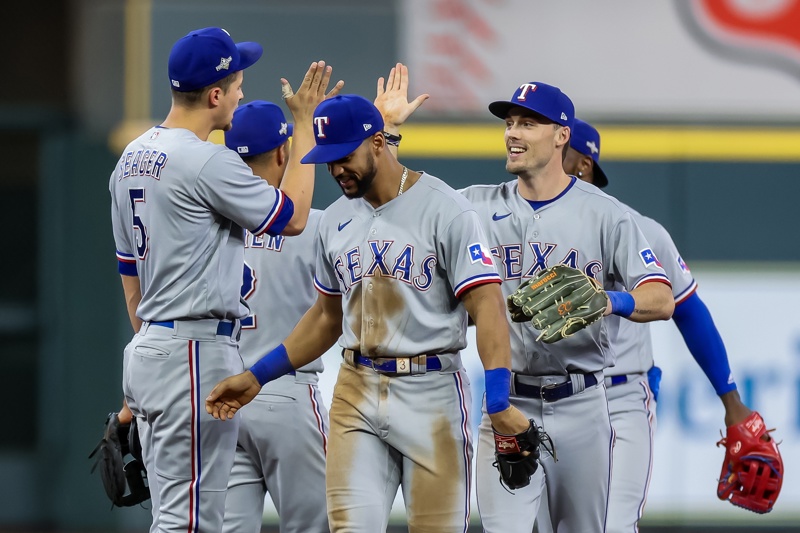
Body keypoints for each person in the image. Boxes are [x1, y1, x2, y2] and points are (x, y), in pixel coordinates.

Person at [206, 92, 531, 532]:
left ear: (379, 142)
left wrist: (498, 400)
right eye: (329, 161)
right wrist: (257, 376)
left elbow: (488, 307)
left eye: (345, 157)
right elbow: (326, 318)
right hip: (355, 389)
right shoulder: (335, 219)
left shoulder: (447, 209)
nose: (337, 170)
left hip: (432, 391)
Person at [109, 26, 341, 533]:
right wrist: (304, 125)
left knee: (178, 517)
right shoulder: (205, 160)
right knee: (191, 523)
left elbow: (131, 280)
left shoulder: (130, 158)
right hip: (193, 351)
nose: (241, 91)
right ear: (214, 95)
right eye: (237, 82)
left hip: (148, 349)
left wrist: (155, 350)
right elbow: (293, 217)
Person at [456, 82, 675, 533]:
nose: (512, 133)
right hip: (508, 403)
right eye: (509, 123)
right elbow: (409, 206)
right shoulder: (473, 205)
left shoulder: (606, 213)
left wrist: (609, 300)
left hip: (583, 404)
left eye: (527, 123)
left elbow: (662, 297)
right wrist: (389, 133)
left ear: (561, 136)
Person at [544, 118, 755, 533]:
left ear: (583, 164)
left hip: (619, 397)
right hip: (548, 396)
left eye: (558, 151)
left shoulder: (639, 229)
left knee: (613, 526)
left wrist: (731, 401)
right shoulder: (526, 226)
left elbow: (689, 311)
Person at [221, 100, 329, 533]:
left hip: (221, 396)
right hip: (286, 391)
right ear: (283, 153)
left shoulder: (208, 224)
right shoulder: (315, 225)